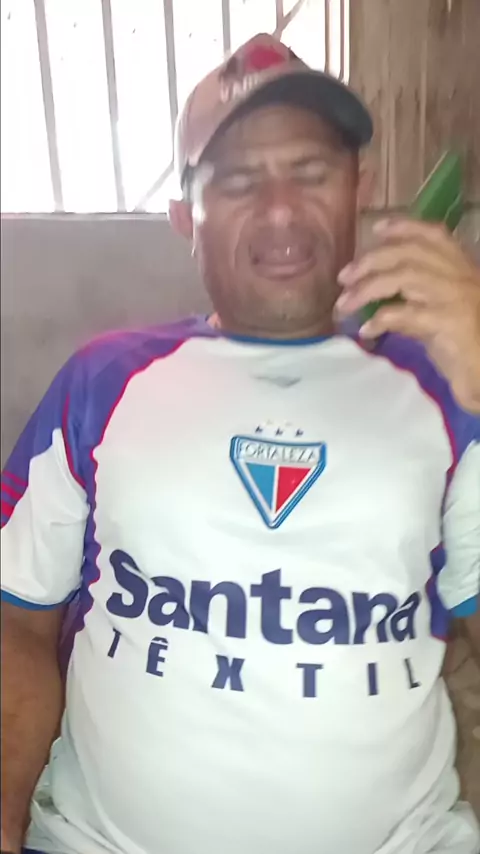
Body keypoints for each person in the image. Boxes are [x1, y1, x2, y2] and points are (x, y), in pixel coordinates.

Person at [1, 32, 480, 854]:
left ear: (359, 191)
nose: (282, 209)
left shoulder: (446, 382)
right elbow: (16, 621)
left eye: (311, 171)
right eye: (237, 179)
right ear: (184, 218)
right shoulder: (102, 382)